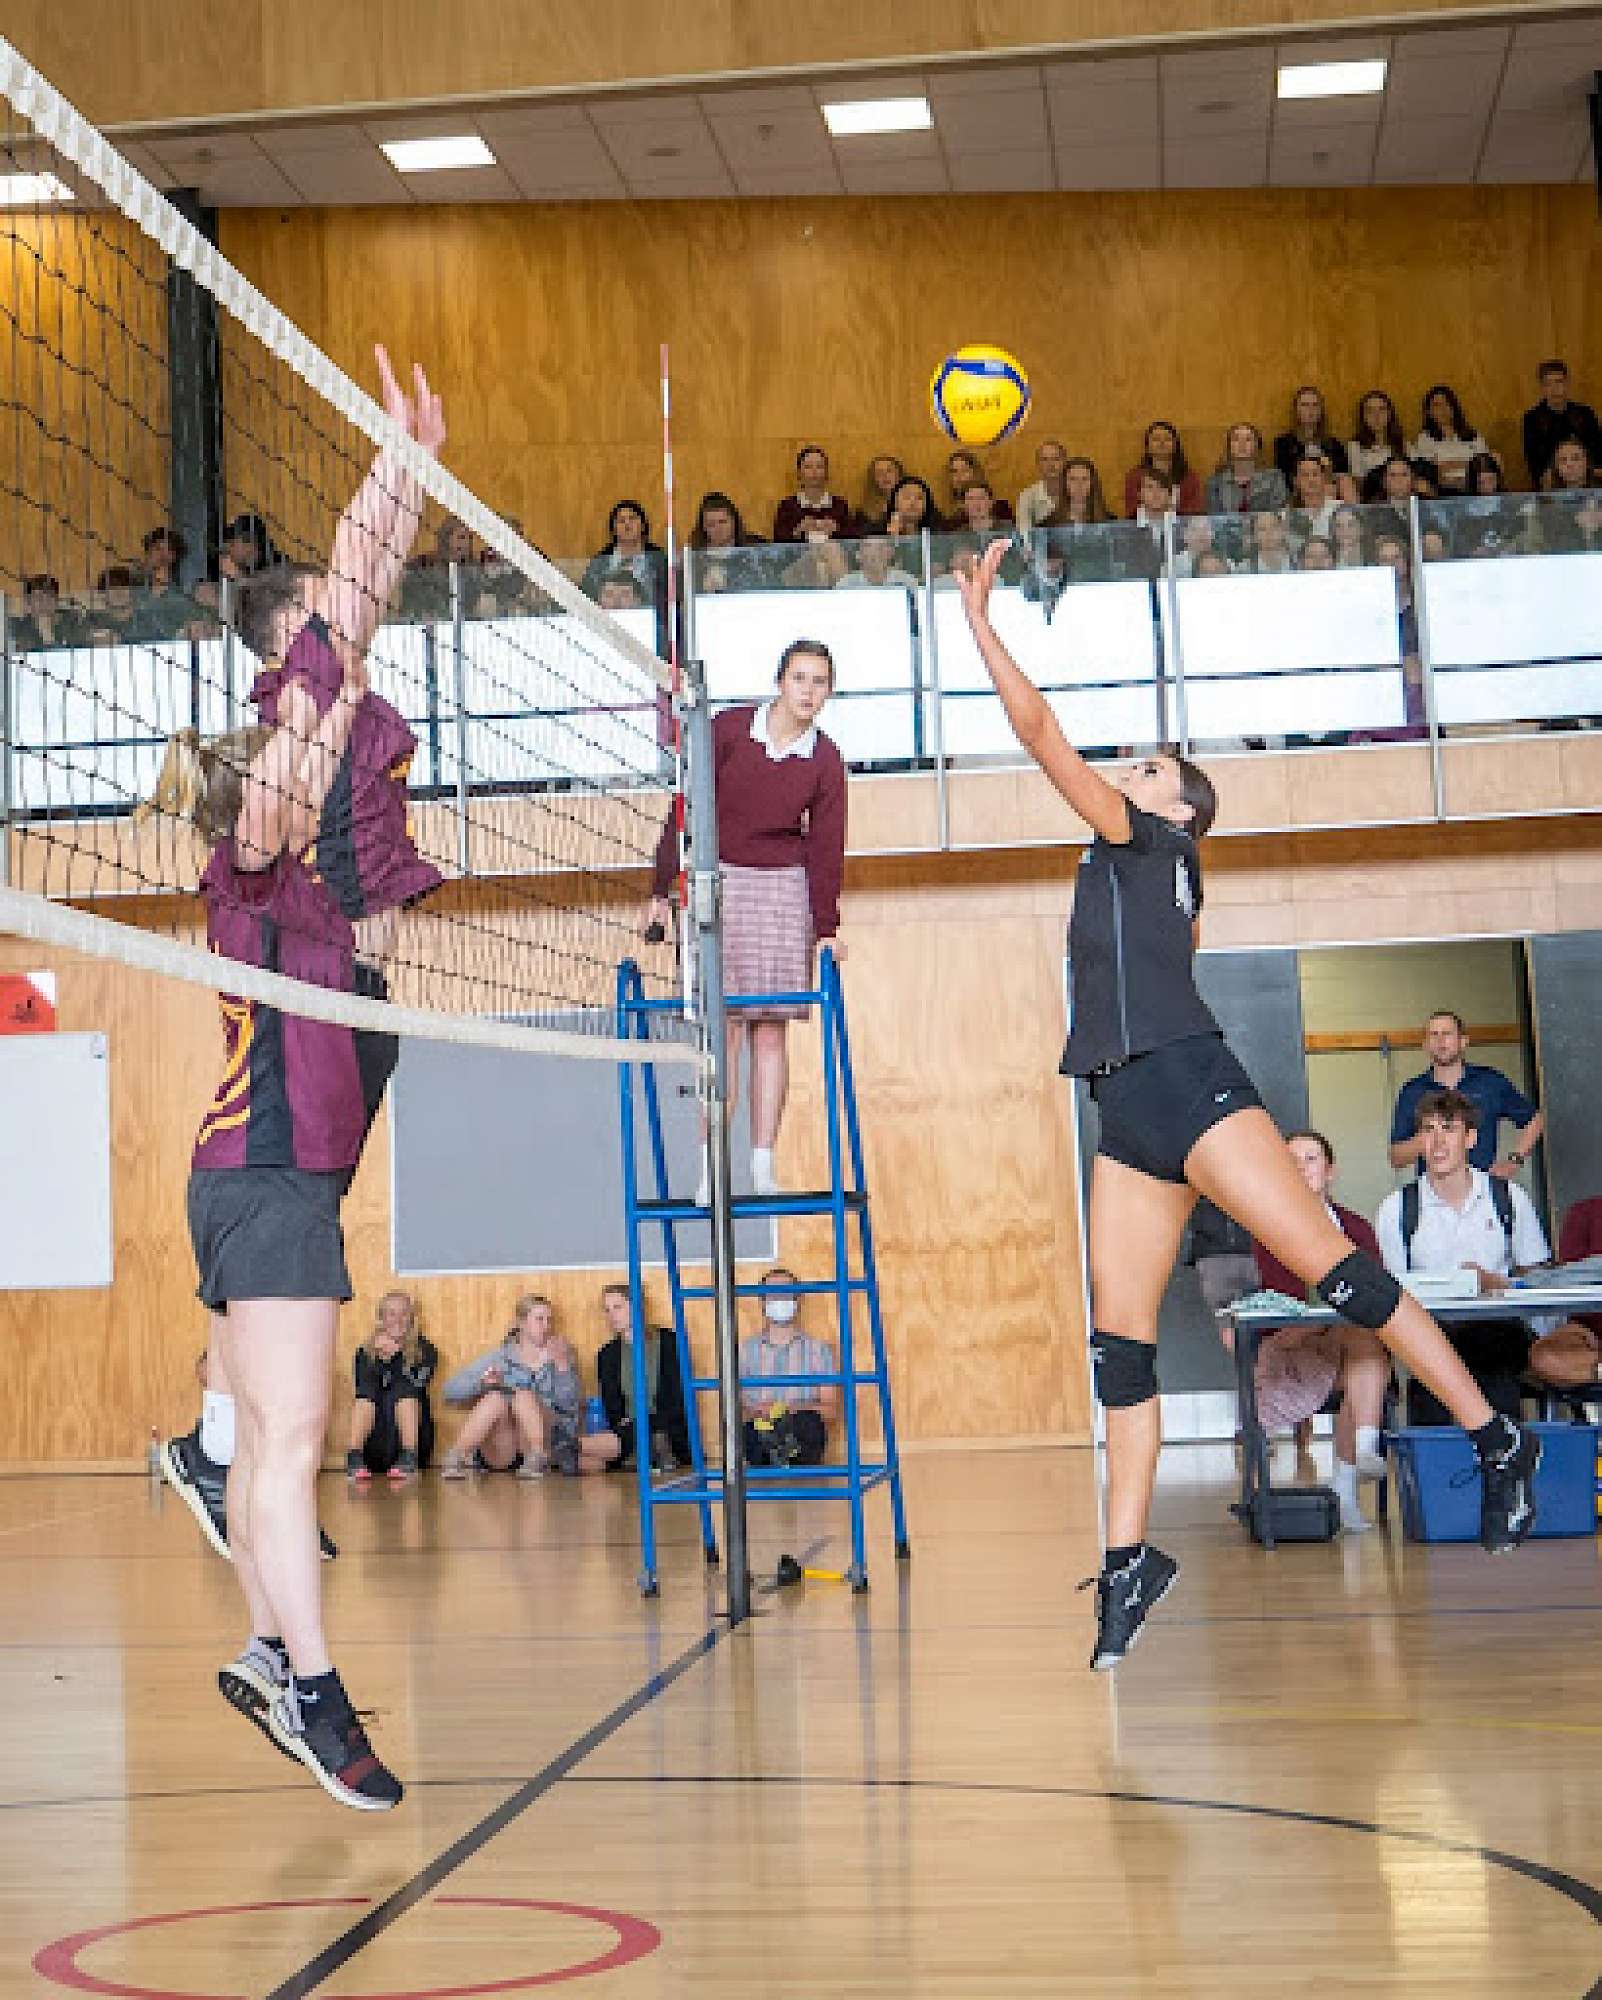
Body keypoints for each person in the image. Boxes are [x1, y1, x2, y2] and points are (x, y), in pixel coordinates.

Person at [951, 535, 1540, 1671]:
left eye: (1150, 766)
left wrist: (981, 622)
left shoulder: (1143, 838)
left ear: (1181, 808)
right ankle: (1129, 1561)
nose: (1130, 768)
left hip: (1189, 1081)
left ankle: (1493, 1434)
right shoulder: (1148, 866)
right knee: (1120, 1352)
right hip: (1125, 1107)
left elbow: (1037, 733)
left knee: (1341, 1275)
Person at [155, 345, 445, 1812]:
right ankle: (310, 1687)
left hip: (263, 1180)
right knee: (292, 1453)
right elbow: (327, 651)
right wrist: (357, 560)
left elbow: (355, 623)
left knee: (280, 1443)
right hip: (264, 1181)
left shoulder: (319, 910)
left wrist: (403, 475)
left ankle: (258, 1600)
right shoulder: (254, 861)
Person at [648, 639, 846, 1196]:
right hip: (722, 882)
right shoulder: (730, 731)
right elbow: (686, 807)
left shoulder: (826, 760)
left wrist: (826, 929)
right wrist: (660, 885)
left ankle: (762, 1163)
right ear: (780, 681)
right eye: (800, 678)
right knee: (724, 1031)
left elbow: (827, 848)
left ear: (829, 692)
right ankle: (712, 1165)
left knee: (770, 1031)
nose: (808, 691)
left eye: (819, 682)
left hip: (783, 891)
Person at [1375, 1090, 1598, 1421]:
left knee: (1491, 1357)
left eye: (1449, 1129)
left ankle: (1502, 1445)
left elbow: (1537, 1277)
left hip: (1500, 1328)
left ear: (1470, 1138)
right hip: (1432, 1331)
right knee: (1434, 1370)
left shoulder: (1508, 1197)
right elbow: (1394, 1291)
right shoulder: (1396, 1208)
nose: (1437, 1142)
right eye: (1428, 1130)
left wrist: (1498, 1284)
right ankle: (1444, 1451)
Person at [1227, 1132, 1390, 1534]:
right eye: (1291, 1162)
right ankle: (1359, 1459)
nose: (1301, 1168)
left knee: (1364, 1342)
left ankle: (1356, 1469)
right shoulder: (1266, 1229)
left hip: (1346, 1339)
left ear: (1330, 1171)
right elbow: (1284, 1300)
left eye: (1311, 1159)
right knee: (1361, 1345)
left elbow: (1374, 1288)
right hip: (1294, 1344)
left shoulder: (1356, 1227)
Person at [440, 1294, 617, 1478]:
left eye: (549, 1320)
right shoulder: (501, 1357)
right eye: (539, 1319)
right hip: (505, 1447)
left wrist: (563, 1367)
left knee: (523, 1395)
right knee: (495, 1397)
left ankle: (538, 1456)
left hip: (546, 1435)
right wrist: (482, 1383)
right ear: (521, 1323)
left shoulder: (561, 1352)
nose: (546, 1326)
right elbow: (449, 1391)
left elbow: (570, 1406)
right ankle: (455, 1457)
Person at [1388, 1010, 1542, 1178]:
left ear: (1463, 1041)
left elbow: (1535, 1120)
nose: (1440, 1040)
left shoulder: (1490, 1082)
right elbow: (1396, 1158)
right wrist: (1426, 1137)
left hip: (1482, 1188)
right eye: (1433, 1035)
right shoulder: (1412, 1091)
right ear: (1425, 1045)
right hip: (1432, 1190)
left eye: (1447, 1033)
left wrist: (1515, 1160)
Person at [740, 1267, 839, 1467]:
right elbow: (736, 1410)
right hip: (760, 1433)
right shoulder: (744, 1351)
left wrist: (787, 1410)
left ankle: (787, 1451)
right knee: (752, 1431)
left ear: (798, 1299)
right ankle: (776, 1452)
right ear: (762, 1301)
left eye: (786, 1293)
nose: (779, 1299)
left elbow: (830, 1411)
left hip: (803, 1435)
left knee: (807, 1422)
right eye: (773, 1294)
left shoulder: (819, 1350)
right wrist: (759, 1412)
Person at [594, 1282, 692, 1469]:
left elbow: (678, 1400)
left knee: (646, 1432)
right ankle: (569, 1448)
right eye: (607, 1310)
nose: (611, 1315)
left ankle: (568, 1445)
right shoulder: (607, 1355)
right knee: (586, 1462)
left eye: (617, 1307)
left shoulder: (669, 1342)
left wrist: (647, 1422)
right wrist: (627, 1423)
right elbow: (612, 1407)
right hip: (627, 1432)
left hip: (668, 1429)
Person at [1524, 359, 1602, 489]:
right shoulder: (1532, 419)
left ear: (1567, 384)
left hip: (1587, 478)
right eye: (1548, 384)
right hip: (1552, 482)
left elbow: (1597, 451)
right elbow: (1534, 462)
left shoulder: (1585, 413)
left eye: (1559, 382)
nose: (1554, 389)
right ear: (1542, 388)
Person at [581, 499, 666, 608]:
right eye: (621, 521)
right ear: (614, 529)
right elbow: (586, 599)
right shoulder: (599, 564)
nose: (627, 524)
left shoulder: (659, 561)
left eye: (632, 519)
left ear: (643, 526)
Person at [1410, 385, 1492, 495]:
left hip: (1475, 487)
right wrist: (1465, 464)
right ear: (1429, 412)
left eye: (1446, 404)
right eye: (1437, 405)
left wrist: (1456, 465)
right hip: (1441, 491)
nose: (1443, 409)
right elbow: (1429, 471)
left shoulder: (1473, 436)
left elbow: (1484, 464)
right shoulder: (1425, 438)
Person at [1273, 386, 1351, 493]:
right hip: (1298, 493)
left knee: (1345, 481)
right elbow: (1285, 478)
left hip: (1329, 492)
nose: (1310, 410)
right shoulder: (1284, 443)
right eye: (1305, 405)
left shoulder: (1333, 444)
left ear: (1321, 410)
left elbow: (1342, 474)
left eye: (1315, 405)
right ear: (1296, 410)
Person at [1203, 423, 1288, 519]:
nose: (1242, 444)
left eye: (1248, 439)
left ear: (1256, 446)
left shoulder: (1274, 478)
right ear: (1229, 447)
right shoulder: (1214, 483)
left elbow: (1281, 516)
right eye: (1236, 439)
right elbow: (1215, 521)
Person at [772, 446, 854, 545]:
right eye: (808, 467)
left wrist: (836, 530)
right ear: (799, 473)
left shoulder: (840, 506)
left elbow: (852, 543)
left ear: (826, 472)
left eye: (819, 466)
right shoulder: (787, 507)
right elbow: (778, 543)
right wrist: (798, 531)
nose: (814, 471)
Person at [1122, 421, 1202, 518]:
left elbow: (1194, 512)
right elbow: (1131, 513)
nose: (1162, 443)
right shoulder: (1135, 477)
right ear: (1147, 446)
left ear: (1175, 445)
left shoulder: (1189, 477)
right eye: (1156, 439)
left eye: (1167, 439)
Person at [9, 573, 89, 651]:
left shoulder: (72, 623)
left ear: (56, 600)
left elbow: (83, 651)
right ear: (28, 602)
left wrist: (47, 634)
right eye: (38, 597)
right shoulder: (18, 628)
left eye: (49, 596)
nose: (44, 602)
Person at [1348, 389, 1405, 491]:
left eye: (1381, 409)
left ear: (1389, 414)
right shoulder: (1356, 446)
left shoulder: (1403, 444)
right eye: (1370, 411)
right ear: (1363, 416)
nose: (1376, 416)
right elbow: (1358, 483)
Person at [1015, 438, 1069, 533]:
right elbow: (1024, 534)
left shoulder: (1077, 491)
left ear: (1064, 462)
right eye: (1045, 459)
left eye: (1056, 459)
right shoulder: (1027, 496)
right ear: (1038, 464)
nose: (1050, 464)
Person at [835, 533, 918, 590]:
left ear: (891, 553)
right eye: (868, 546)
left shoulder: (907, 581)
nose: (876, 552)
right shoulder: (846, 585)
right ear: (858, 555)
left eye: (881, 547)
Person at [854, 452, 905, 536]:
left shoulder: (916, 504)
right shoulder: (865, 511)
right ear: (874, 480)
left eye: (889, 471)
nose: (885, 476)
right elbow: (863, 537)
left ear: (899, 475)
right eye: (879, 473)